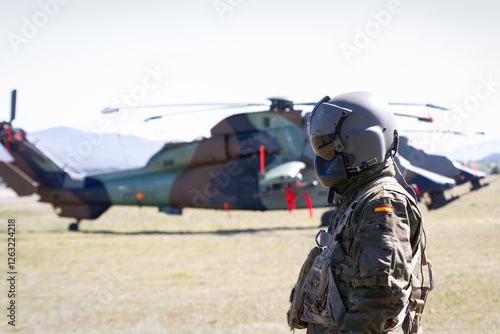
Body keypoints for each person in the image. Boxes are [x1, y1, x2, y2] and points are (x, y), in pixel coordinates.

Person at [287, 92, 432, 333]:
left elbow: (380, 295)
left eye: (328, 148)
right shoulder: (358, 195)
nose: (322, 158)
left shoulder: (382, 201)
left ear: (362, 144)